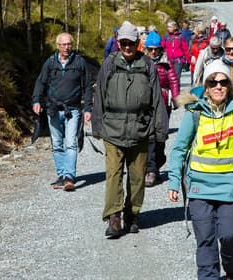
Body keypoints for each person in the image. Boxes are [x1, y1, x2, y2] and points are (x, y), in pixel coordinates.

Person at [167, 60, 233, 280]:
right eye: (213, 82)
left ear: (229, 86)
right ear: (206, 87)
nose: (218, 86)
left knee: (229, 236)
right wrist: (174, 181)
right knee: (205, 240)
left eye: (223, 82)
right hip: (199, 189)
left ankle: (231, 269)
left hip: (231, 189)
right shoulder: (194, 114)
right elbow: (179, 149)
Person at [92, 21, 167, 239]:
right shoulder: (109, 63)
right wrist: (97, 125)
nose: (127, 47)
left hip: (140, 129)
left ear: (137, 43)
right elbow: (99, 96)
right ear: (118, 42)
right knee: (113, 175)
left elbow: (156, 99)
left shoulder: (147, 65)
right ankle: (114, 217)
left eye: (131, 43)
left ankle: (132, 214)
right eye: (123, 42)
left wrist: (160, 131)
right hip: (112, 130)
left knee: (137, 177)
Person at [31, 32, 93, 191]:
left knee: (71, 143)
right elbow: (40, 82)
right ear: (58, 46)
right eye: (63, 44)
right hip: (53, 109)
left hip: (73, 109)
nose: (66, 47)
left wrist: (87, 108)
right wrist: (36, 100)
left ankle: (69, 177)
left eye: (69, 44)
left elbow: (87, 86)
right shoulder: (50, 63)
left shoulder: (79, 62)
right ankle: (61, 175)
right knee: (57, 144)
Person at [143, 32, 180, 187]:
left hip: (164, 104)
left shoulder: (166, 63)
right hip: (145, 104)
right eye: (150, 49)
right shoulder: (141, 62)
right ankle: (150, 169)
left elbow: (173, 80)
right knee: (149, 136)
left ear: (160, 49)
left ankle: (157, 163)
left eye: (156, 49)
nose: (153, 52)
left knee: (160, 136)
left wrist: (176, 98)